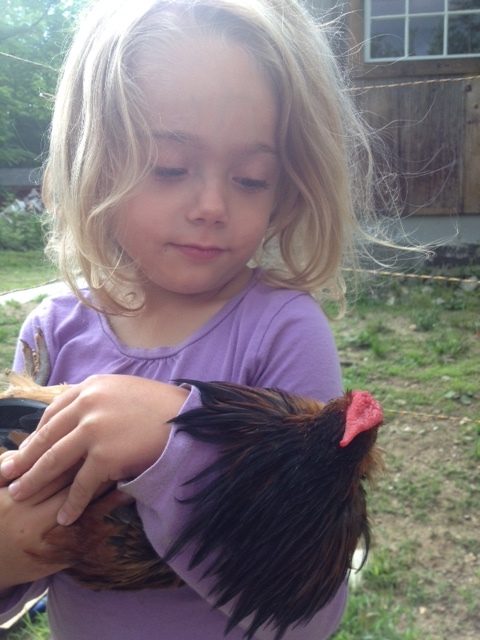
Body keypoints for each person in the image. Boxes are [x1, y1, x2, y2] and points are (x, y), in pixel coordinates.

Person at [0, 0, 382, 637]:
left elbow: (309, 614)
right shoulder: (52, 331)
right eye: (170, 168)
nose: (211, 205)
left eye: (251, 178)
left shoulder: (283, 331)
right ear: (95, 161)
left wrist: (170, 447)